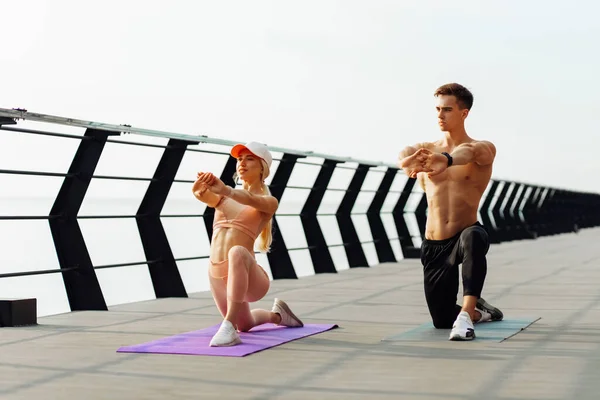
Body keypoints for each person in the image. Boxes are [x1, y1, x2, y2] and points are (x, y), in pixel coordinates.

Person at [396, 83, 504, 341]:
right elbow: (405, 152)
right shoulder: (425, 148)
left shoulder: (482, 147)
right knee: (442, 320)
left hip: (466, 232)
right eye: (437, 109)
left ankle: (466, 315)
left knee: (473, 237)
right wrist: (405, 162)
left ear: (464, 113)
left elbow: (467, 153)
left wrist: (447, 159)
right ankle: (480, 312)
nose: (440, 116)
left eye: (447, 109)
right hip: (435, 242)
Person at [192, 141, 303, 347]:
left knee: (237, 252)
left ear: (263, 167)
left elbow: (248, 198)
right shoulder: (224, 197)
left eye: (249, 158)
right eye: (239, 159)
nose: (242, 163)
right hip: (217, 273)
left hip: (251, 277)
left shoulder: (268, 201)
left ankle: (227, 328)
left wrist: (225, 190)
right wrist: (199, 189)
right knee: (245, 324)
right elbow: (204, 195)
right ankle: (278, 315)